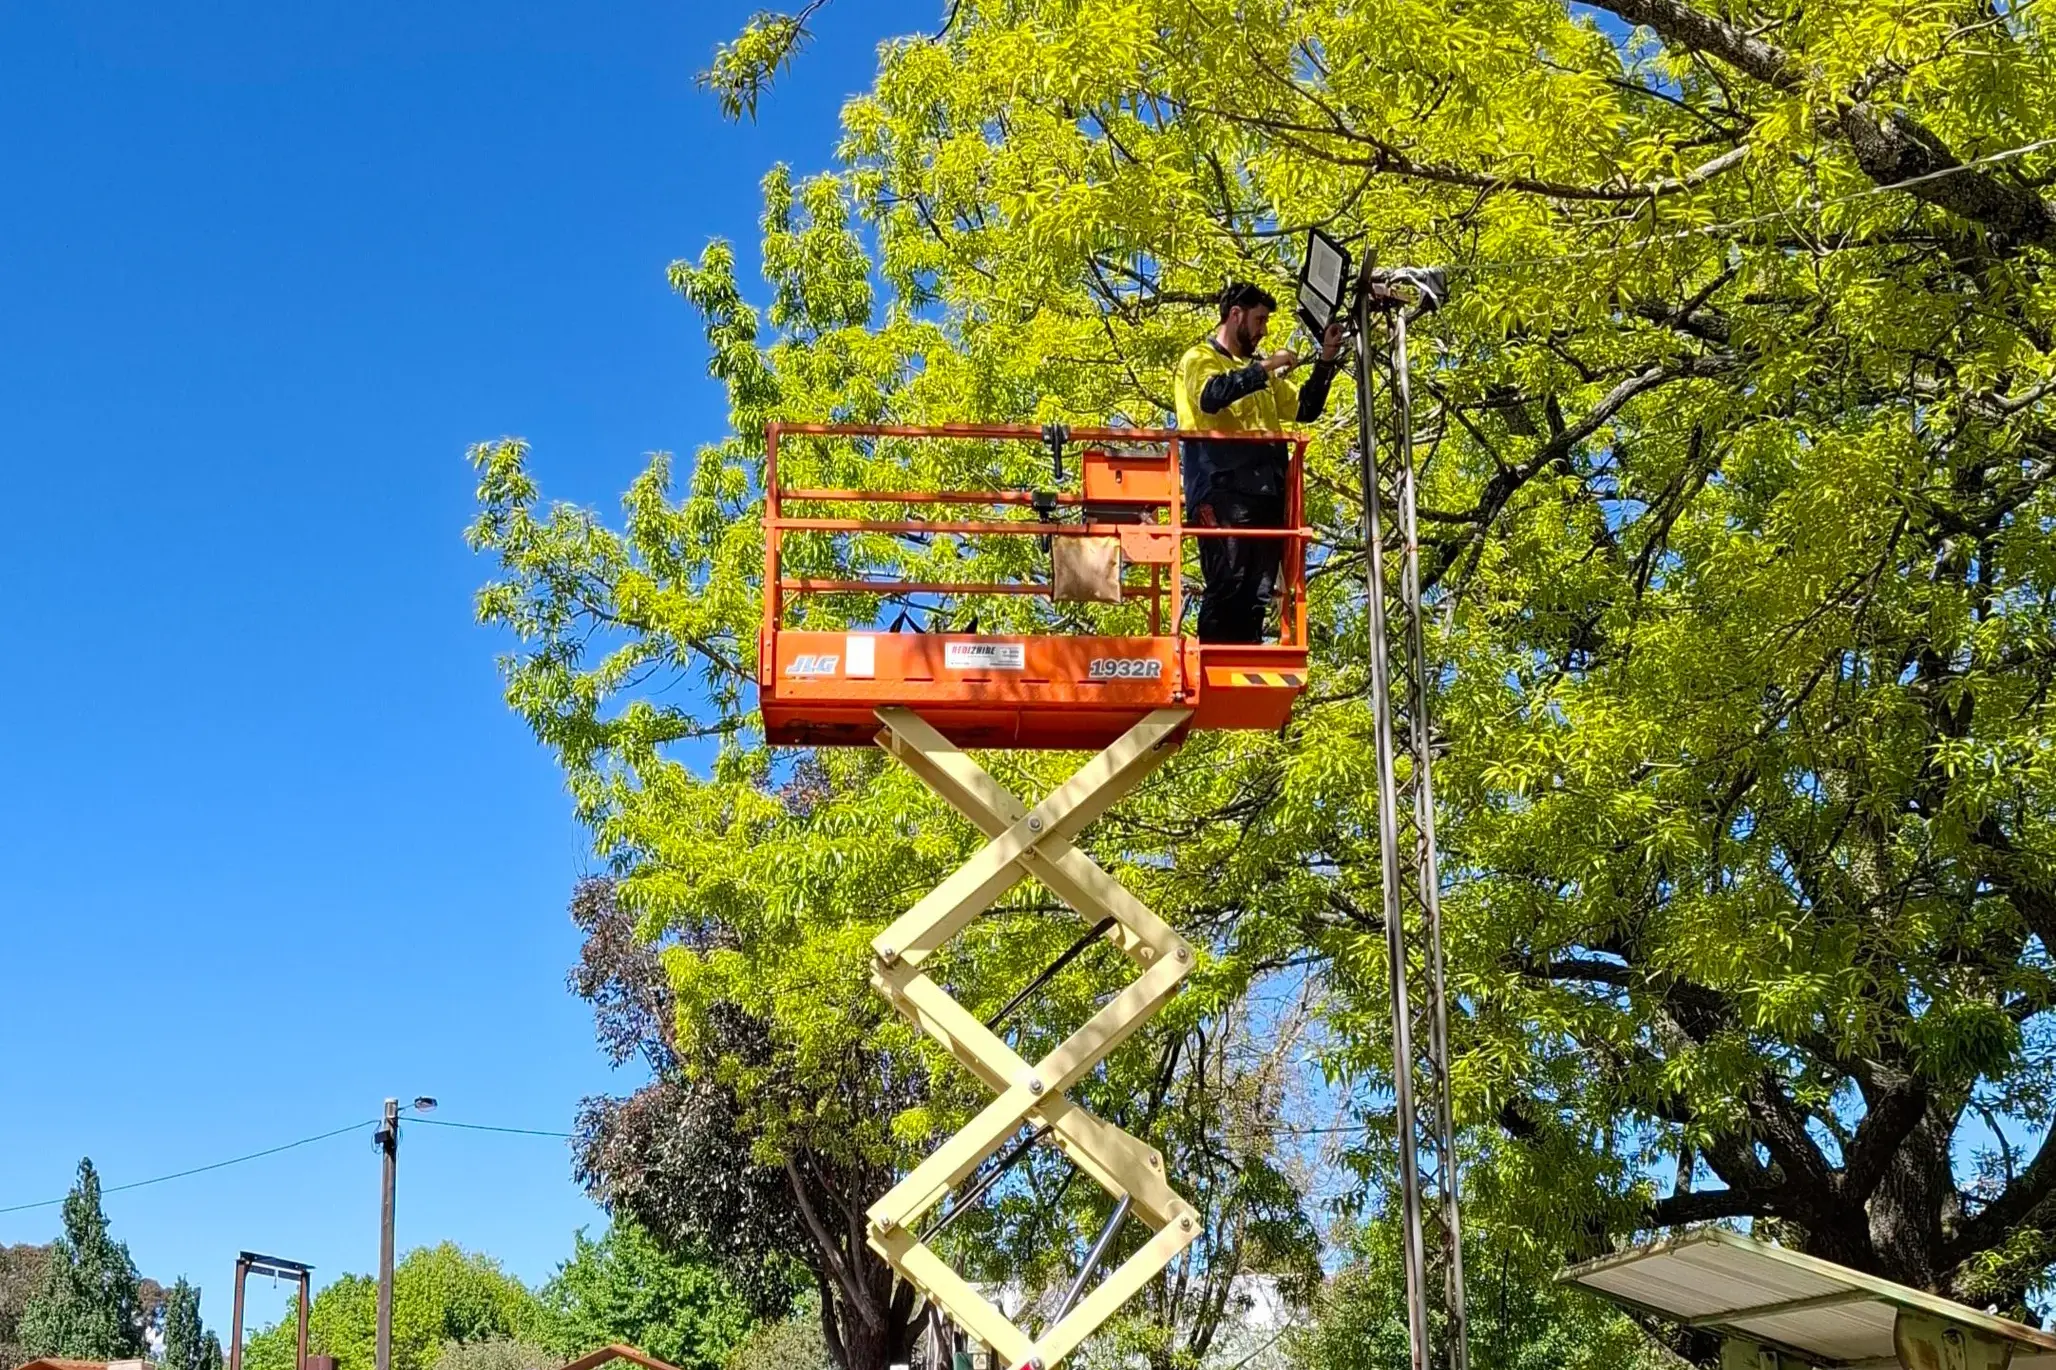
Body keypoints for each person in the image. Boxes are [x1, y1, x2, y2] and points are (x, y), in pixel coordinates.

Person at [1173, 282, 1345, 643]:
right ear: (1236, 315)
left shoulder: (1259, 376)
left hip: (1266, 492)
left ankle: (1246, 659)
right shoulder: (1200, 358)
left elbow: (1305, 407)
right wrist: (1267, 366)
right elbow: (1212, 396)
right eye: (1260, 319)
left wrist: (1327, 358)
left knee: (1258, 590)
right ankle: (1215, 661)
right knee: (1229, 579)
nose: (1264, 330)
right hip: (1222, 488)